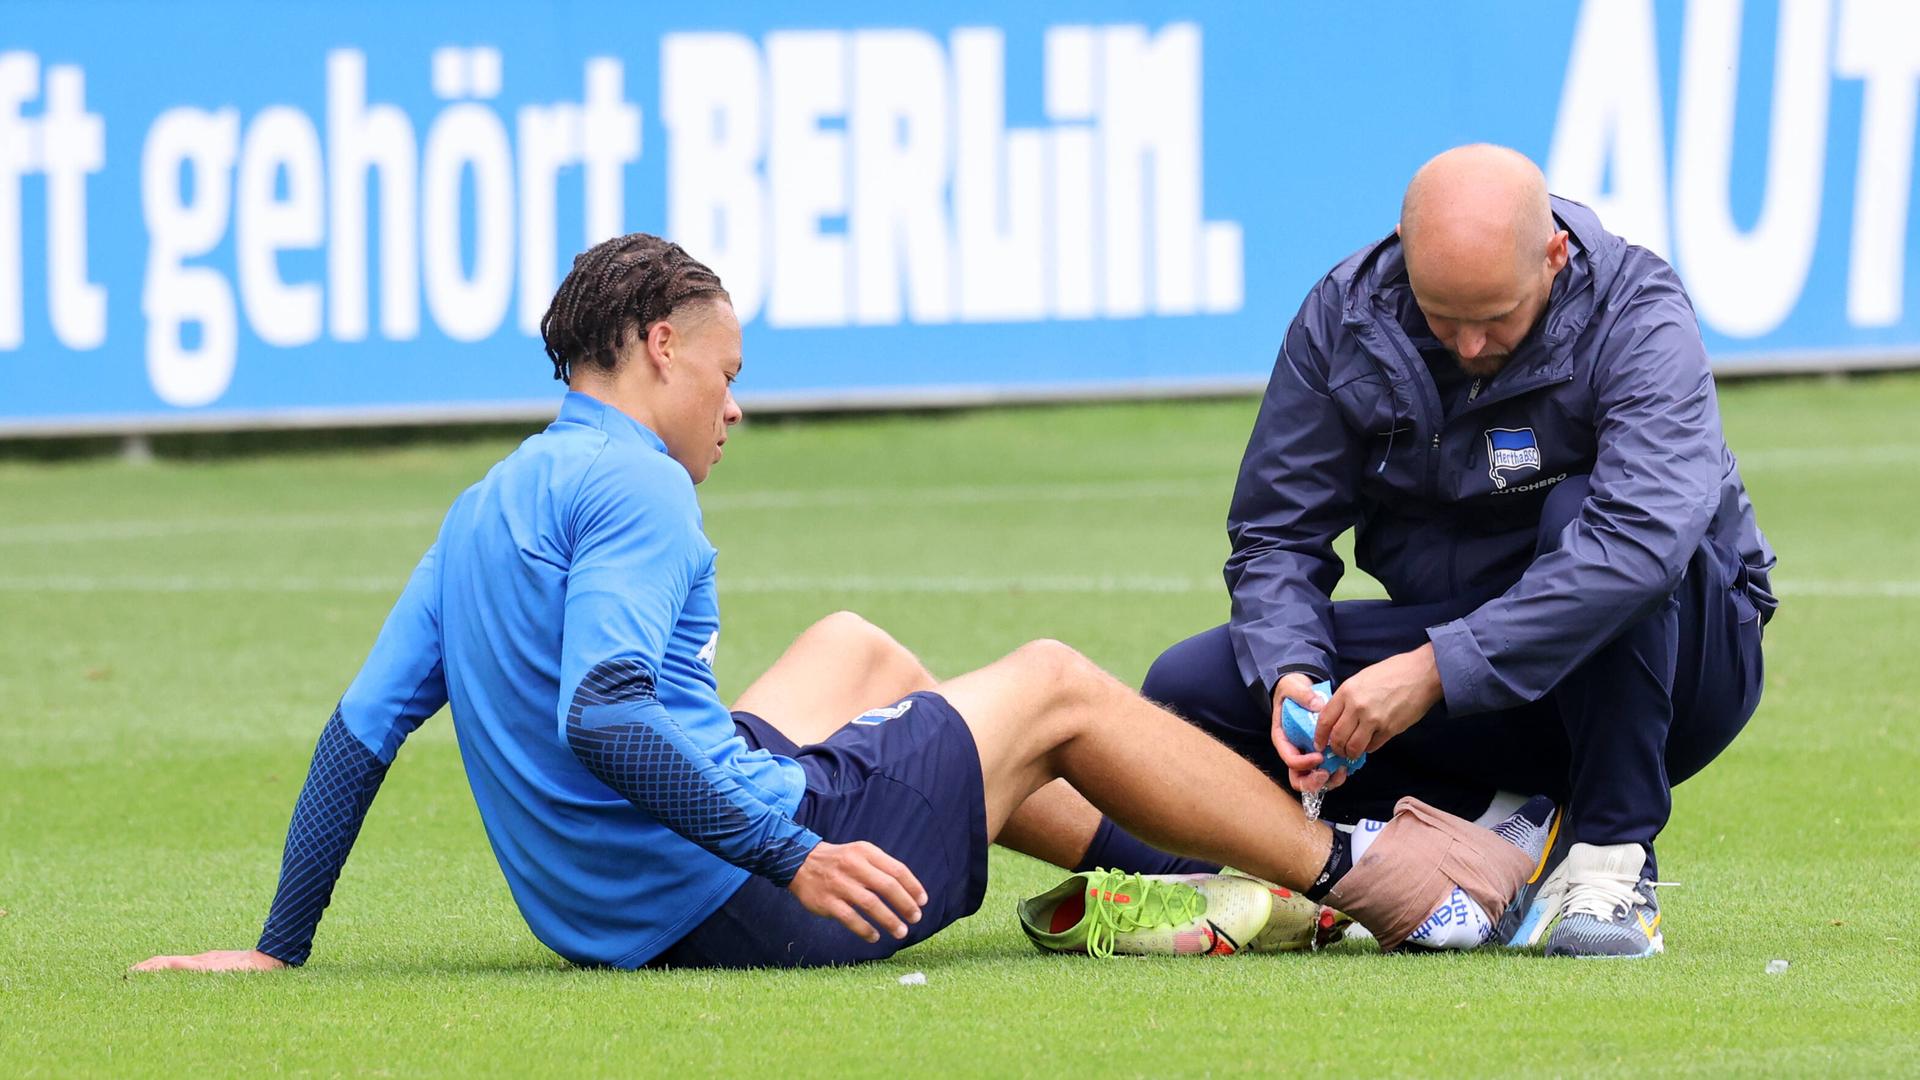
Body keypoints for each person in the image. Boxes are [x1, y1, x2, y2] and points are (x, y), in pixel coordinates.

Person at [133, 233, 1537, 974]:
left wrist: (279, 944)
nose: (736, 407)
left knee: (854, 647)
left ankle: (1169, 877)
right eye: (727, 373)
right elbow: (608, 711)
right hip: (730, 893)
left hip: (624, 900)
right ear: (662, 346)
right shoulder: (638, 491)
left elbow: (361, 733)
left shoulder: (488, 499)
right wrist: (785, 851)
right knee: (1049, 680)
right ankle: (1362, 876)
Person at [1139, 145, 1775, 958]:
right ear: (1406, 259)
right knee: (1188, 693)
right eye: (1445, 318)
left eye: (1496, 317)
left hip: (1681, 663)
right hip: (1473, 674)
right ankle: (1439, 846)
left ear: (1554, 256)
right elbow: (1276, 532)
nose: (1470, 345)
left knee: (1593, 522)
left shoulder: (1637, 310)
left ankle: (1612, 870)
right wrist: (1294, 673)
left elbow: (1643, 542)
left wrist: (1433, 670)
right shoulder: (1343, 315)